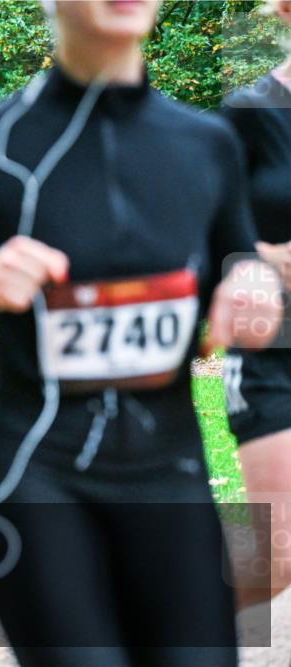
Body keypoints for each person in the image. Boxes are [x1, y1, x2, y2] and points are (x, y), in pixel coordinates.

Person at [0, 1, 283, 664]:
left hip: (167, 473)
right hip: (32, 471)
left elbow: (238, 267)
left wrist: (254, 292)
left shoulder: (206, 145)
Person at [220, 0, 291, 608]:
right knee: (278, 557)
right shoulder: (249, 112)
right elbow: (197, 229)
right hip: (276, 352)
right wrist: (265, 257)